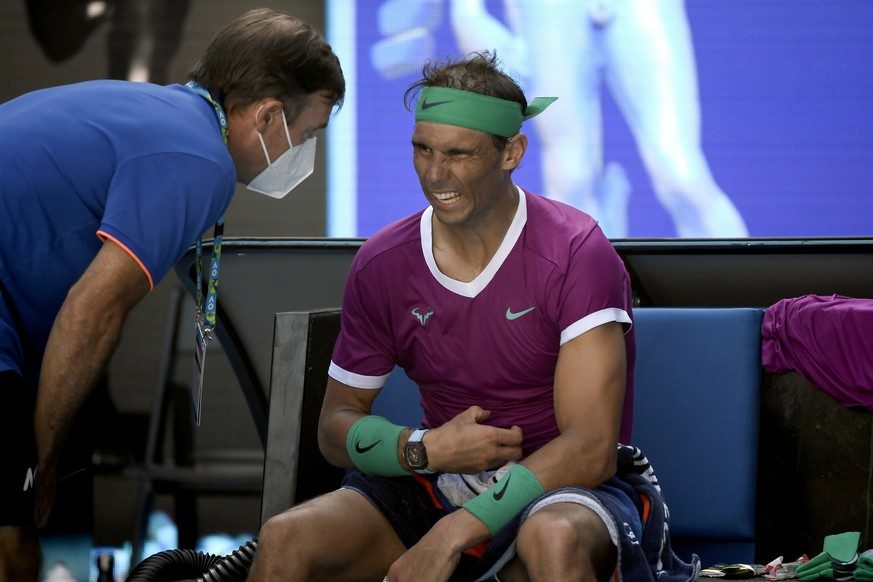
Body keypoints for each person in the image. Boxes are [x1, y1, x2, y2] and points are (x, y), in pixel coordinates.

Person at [249, 52, 698, 582]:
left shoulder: (578, 251)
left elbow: (591, 449)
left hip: (569, 493)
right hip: (439, 480)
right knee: (285, 538)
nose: (435, 174)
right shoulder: (381, 262)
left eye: (459, 154)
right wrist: (422, 449)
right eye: (423, 149)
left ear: (512, 152)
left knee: (550, 539)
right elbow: (334, 427)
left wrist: (454, 531)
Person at [0, 8, 344, 580]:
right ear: (268, 115)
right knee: (13, 536)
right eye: (307, 134)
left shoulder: (165, 114)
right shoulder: (197, 160)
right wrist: (43, 459)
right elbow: (93, 311)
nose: (301, 152)